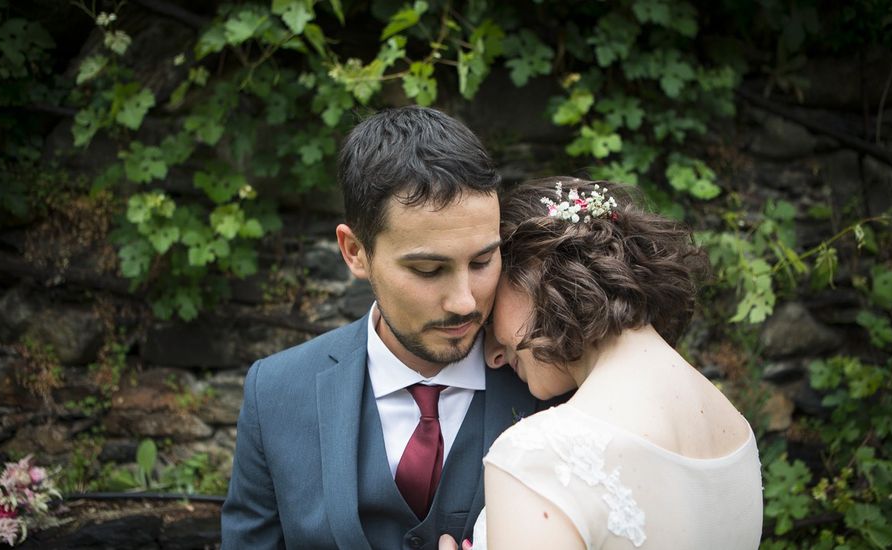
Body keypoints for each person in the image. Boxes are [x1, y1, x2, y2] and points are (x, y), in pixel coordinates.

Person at [221, 106, 546, 549]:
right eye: (429, 269)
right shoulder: (275, 391)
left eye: (483, 261)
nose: (465, 301)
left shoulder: (552, 378)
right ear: (355, 251)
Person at [441, 177, 763, 550]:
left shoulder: (542, 455)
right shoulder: (735, 429)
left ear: (537, 272)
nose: (492, 353)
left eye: (493, 305)